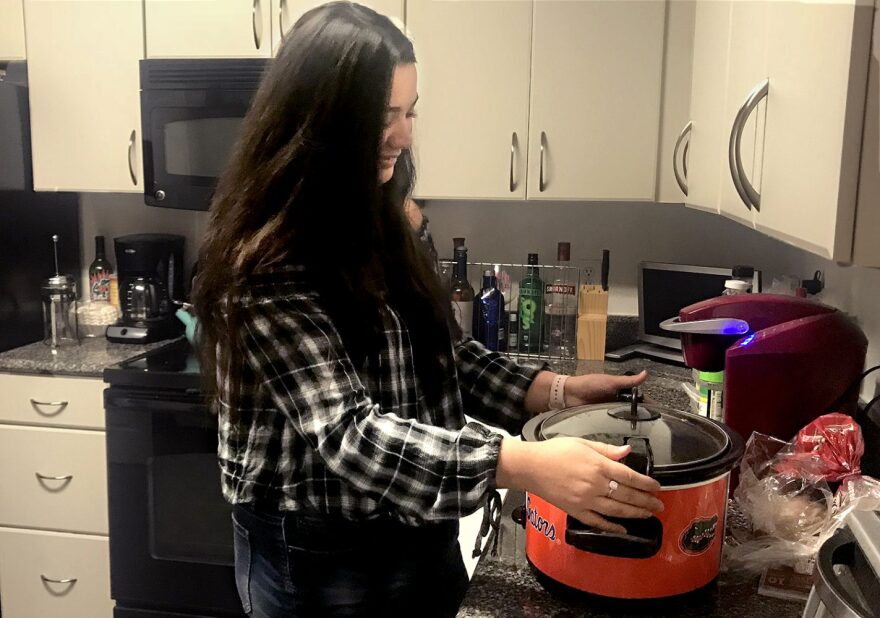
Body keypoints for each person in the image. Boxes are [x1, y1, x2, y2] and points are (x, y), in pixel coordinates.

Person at [193, 3, 663, 617]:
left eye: (409, 112)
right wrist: (523, 464)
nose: (404, 135)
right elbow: (348, 434)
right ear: (319, 122)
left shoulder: (387, 217)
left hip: (418, 528)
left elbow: (437, 353)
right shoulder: (266, 262)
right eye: (382, 116)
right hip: (314, 558)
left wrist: (555, 393)